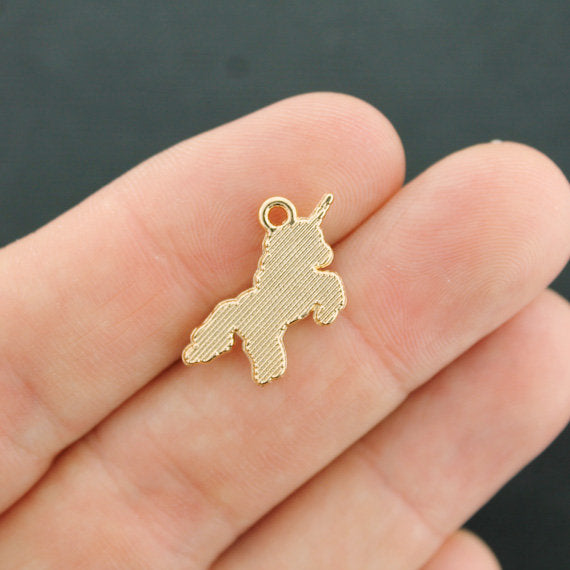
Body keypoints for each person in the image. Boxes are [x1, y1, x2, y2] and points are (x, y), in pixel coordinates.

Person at [0, 93, 568, 569]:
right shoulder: (285, 263)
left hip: (271, 304)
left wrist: (322, 290)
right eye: (306, 245)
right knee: (254, 334)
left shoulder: (307, 269)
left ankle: (221, 344)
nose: (319, 253)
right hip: (264, 306)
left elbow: (320, 280)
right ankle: (212, 344)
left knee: (264, 337)